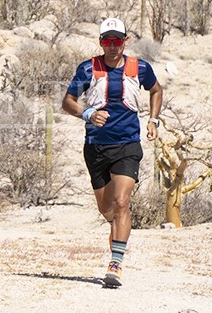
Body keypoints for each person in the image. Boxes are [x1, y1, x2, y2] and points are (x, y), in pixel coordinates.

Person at [61, 17, 163, 287]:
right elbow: (67, 102)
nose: (113, 46)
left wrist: (153, 120)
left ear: (125, 41)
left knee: (121, 203)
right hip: (95, 147)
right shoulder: (88, 69)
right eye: (108, 41)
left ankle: (115, 264)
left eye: (118, 40)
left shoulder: (139, 68)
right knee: (107, 209)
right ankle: (117, 228)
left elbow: (156, 90)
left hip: (127, 145)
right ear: (100, 42)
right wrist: (87, 113)